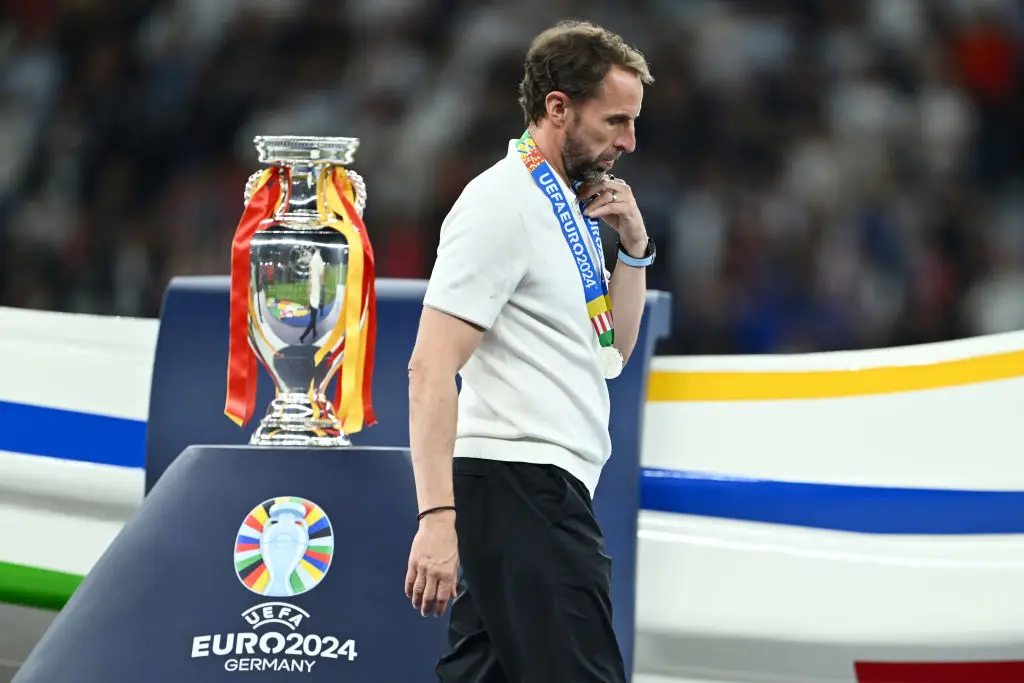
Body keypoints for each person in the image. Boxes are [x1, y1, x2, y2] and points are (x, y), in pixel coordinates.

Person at [404, 19, 656, 683]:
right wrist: (437, 517)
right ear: (558, 107)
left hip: (538, 486)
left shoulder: (568, 207)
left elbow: (614, 350)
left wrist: (633, 248)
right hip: (523, 486)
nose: (629, 141)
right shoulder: (501, 203)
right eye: (616, 121)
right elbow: (430, 365)